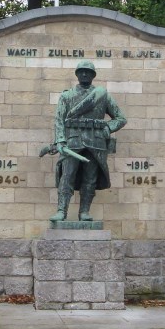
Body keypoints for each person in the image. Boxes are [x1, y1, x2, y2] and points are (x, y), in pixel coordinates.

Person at [50, 60, 126, 222]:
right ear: (77, 74)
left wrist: (108, 128)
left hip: (95, 142)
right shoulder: (67, 96)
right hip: (73, 141)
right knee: (67, 176)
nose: (85, 74)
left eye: (88, 72)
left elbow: (120, 118)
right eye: (82, 72)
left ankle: (84, 212)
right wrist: (60, 141)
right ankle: (61, 211)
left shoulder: (102, 95)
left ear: (93, 75)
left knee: (90, 178)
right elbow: (59, 120)